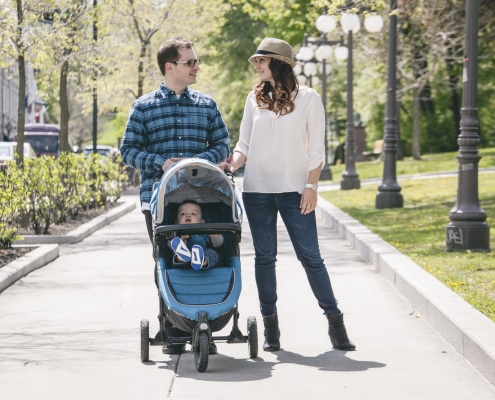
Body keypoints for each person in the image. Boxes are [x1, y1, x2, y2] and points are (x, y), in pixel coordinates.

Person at [218, 38, 355, 352]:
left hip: (295, 191)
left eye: (261, 60)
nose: (256, 65)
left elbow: (316, 150)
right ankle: (271, 329)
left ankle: (336, 324)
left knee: (311, 258)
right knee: (265, 259)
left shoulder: (308, 98)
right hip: (257, 191)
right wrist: (230, 163)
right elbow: (245, 146)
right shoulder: (254, 99)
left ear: (277, 62)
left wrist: (312, 186)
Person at [120, 37, 230, 354]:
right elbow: (128, 152)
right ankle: (172, 327)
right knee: (166, 259)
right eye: (190, 62)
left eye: (196, 61)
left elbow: (222, 144)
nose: (197, 66)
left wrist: (197, 163)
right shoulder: (143, 107)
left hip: (206, 195)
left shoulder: (208, 105)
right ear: (171, 67)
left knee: (214, 251)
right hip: (158, 198)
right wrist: (162, 163)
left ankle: (203, 323)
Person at [170, 201, 224, 271]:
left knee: (212, 253)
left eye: (193, 213)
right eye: (182, 213)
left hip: (204, 253)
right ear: (177, 222)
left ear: (202, 222)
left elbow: (218, 244)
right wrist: (181, 240)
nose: (188, 215)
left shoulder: (205, 232)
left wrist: (215, 236)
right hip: (185, 259)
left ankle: (202, 261)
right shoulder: (177, 233)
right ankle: (181, 257)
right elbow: (170, 245)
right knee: (175, 254)